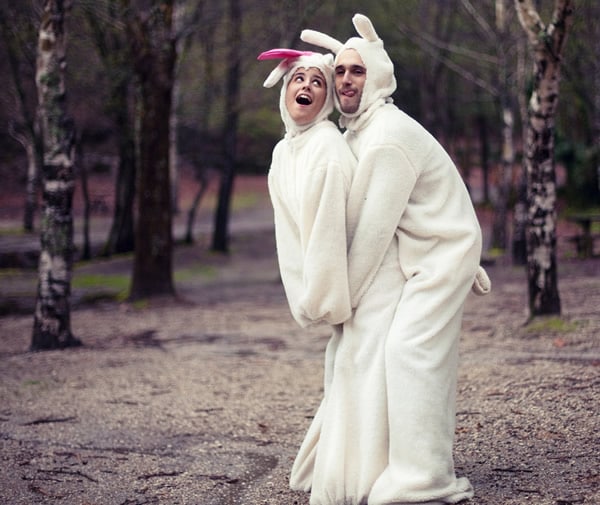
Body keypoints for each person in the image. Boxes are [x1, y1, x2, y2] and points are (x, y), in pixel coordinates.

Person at [289, 14, 490, 505]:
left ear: (378, 77)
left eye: (357, 71)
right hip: (416, 251)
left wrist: (338, 300)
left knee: (410, 353)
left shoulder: (386, 136)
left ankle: (422, 477)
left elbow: (371, 235)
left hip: (441, 255)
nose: (345, 81)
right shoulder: (358, 131)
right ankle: (359, 457)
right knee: (362, 351)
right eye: (340, 72)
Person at [257, 49, 357, 329]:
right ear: (286, 91)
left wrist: (323, 301)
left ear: (326, 100)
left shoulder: (326, 144)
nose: (306, 86)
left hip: (357, 285)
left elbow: (329, 229)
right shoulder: (282, 153)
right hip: (330, 291)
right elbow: (289, 232)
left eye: (317, 82)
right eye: (298, 78)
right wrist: (302, 296)